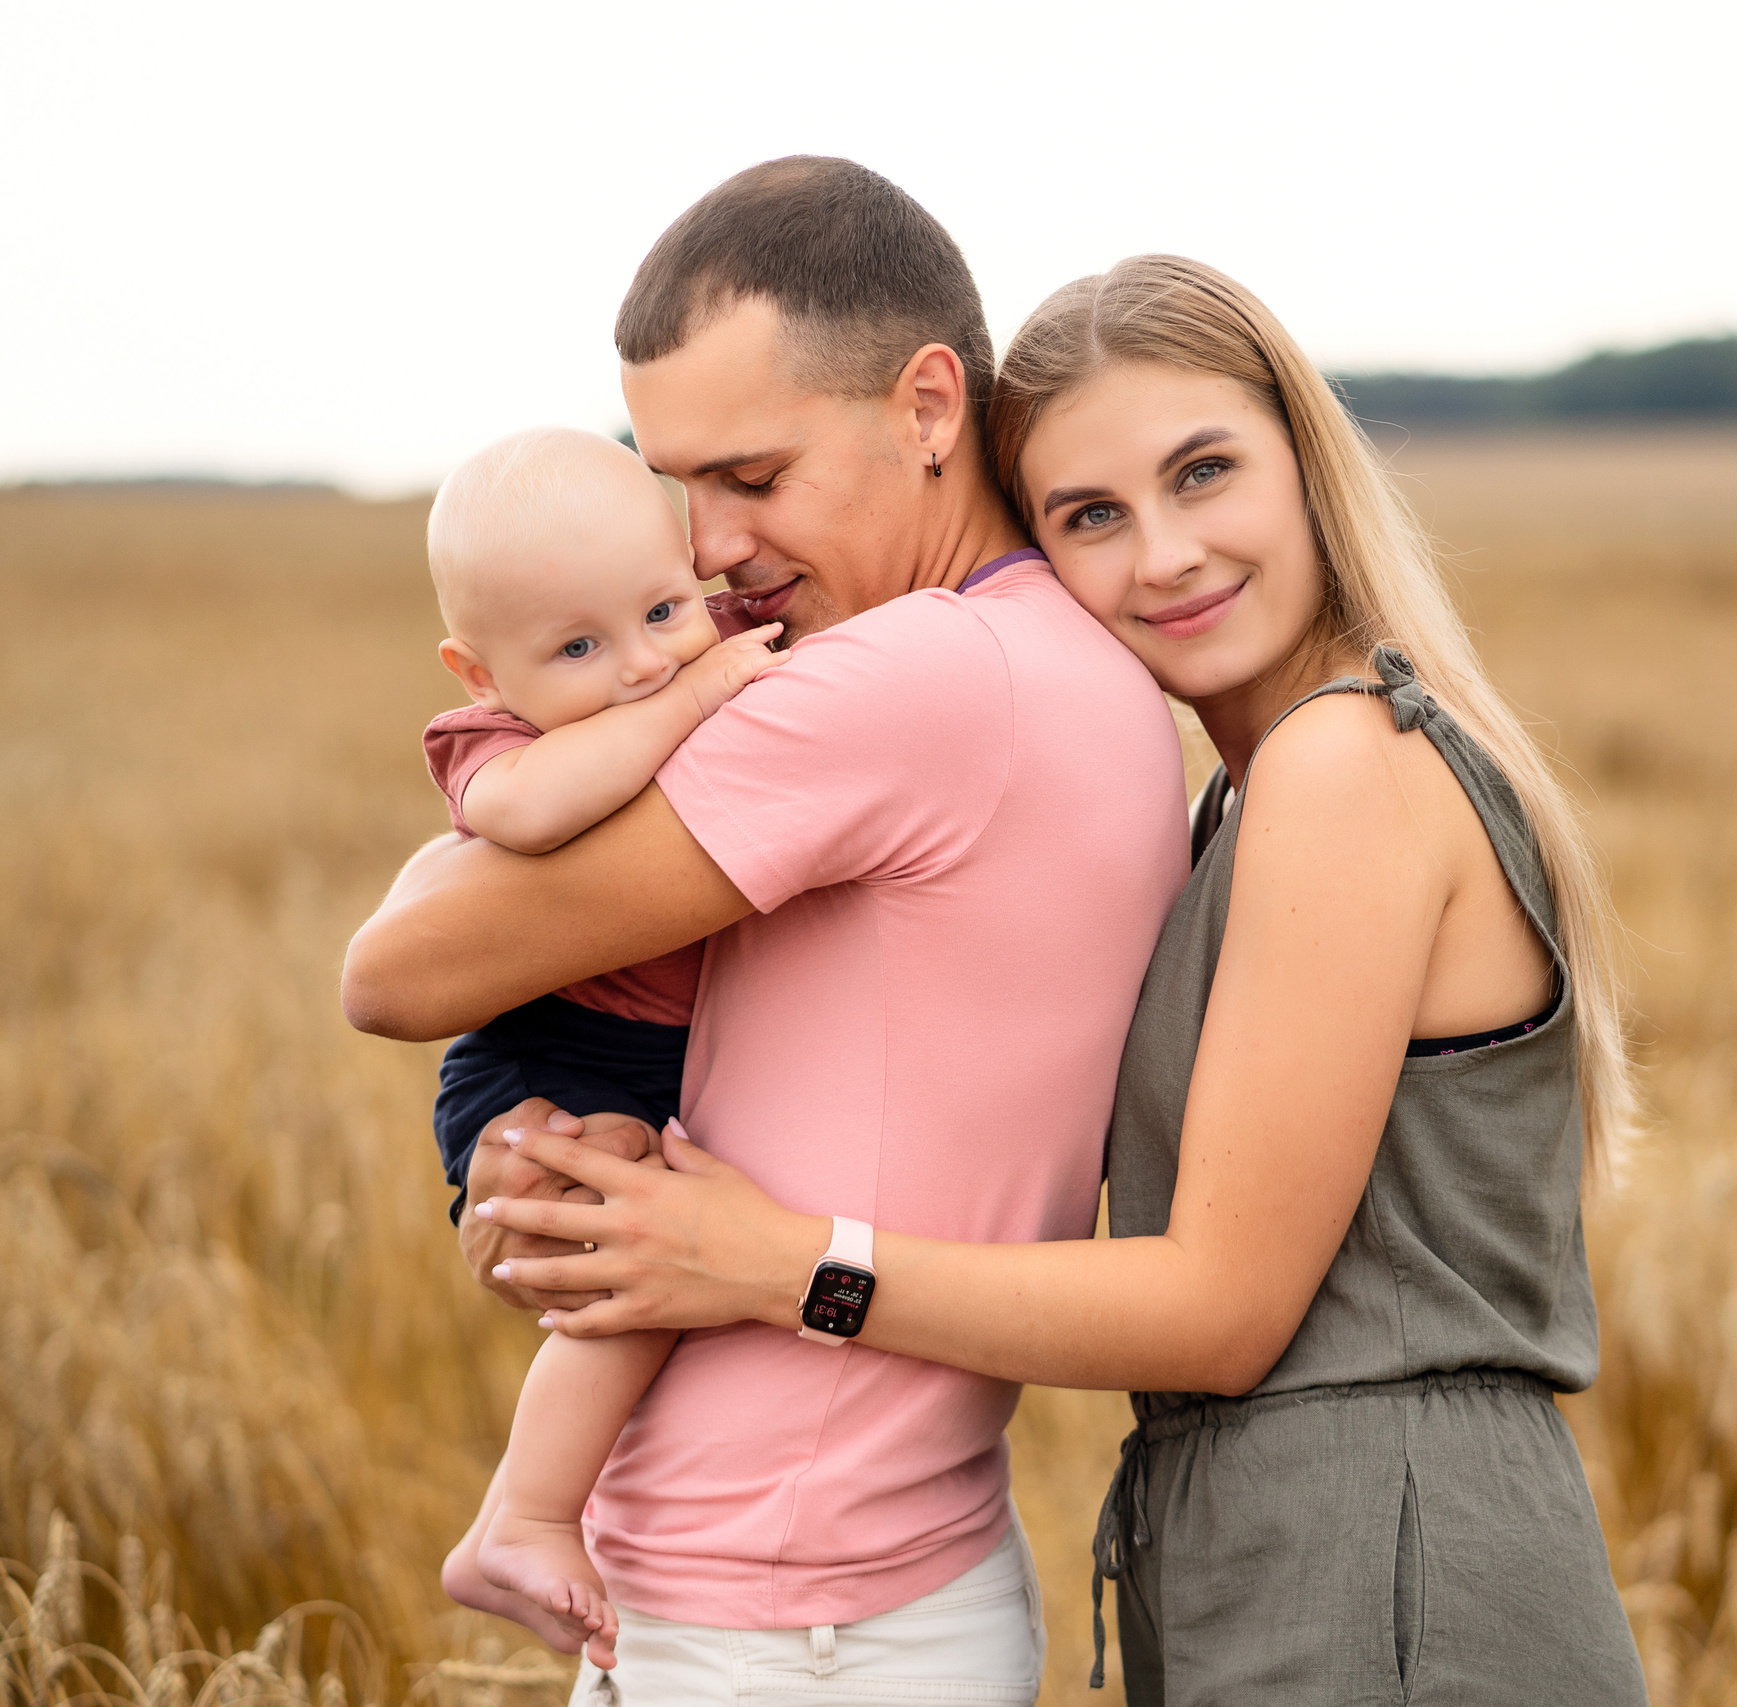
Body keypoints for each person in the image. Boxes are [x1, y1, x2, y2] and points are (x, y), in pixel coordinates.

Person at [472, 256, 1654, 1705]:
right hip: (1284, 1547)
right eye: (1091, 514)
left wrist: (776, 1260)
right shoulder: (1254, 789)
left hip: (1394, 1574)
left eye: (1204, 472)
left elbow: (1222, 1305)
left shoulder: (1349, 767)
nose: (1161, 556)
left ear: (1308, 463)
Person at [342, 160, 1189, 1699]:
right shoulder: (1069, 659)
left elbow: (396, 971)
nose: (710, 542)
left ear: (930, 405)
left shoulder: (908, 679)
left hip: (777, 1620)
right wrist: (573, 1190)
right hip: (877, 1569)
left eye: (752, 474)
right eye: (680, 482)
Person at [413, 424, 786, 1666]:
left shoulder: (710, 646)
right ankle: (520, 1517)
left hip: (657, 1053)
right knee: (635, 1230)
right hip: (550, 1058)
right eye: (577, 647)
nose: (635, 662)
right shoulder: (497, 747)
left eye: (664, 608)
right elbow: (533, 814)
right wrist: (694, 691)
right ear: (481, 673)